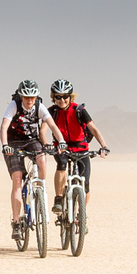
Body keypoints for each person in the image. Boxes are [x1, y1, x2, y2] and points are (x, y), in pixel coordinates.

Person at [0, 79, 58, 243]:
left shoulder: (39, 106)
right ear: (21, 96)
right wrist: (4, 145)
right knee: (17, 179)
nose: (29, 100)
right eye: (26, 97)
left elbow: (52, 125)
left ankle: (41, 190)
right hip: (13, 143)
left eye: (32, 97)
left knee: (42, 160)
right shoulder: (14, 105)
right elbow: (4, 126)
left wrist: (62, 141)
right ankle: (16, 222)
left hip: (31, 141)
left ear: (36, 96)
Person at [46, 78, 107, 222]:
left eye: (65, 96)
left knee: (85, 185)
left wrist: (103, 146)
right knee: (61, 166)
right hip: (62, 149)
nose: (62, 100)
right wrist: (46, 144)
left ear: (70, 96)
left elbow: (94, 129)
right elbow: (43, 129)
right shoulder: (52, 112)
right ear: (54, 97)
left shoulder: (79, 110)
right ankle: (59, 199)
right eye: (58, 97)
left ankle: (81, 213)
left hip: (81, 149)